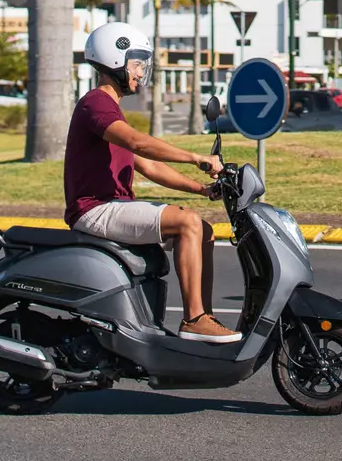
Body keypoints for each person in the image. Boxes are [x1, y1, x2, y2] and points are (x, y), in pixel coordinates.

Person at [68, 22, 235, 343]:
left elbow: (149, 166)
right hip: (94, 209)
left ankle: (205, 318)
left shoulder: (110, 109)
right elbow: (140, 144)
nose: (141, 72)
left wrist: (201, 189)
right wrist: (195, 158)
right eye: (136, 63)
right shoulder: (96, 104)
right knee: (187, 223)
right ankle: (194, 319)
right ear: (114, 60)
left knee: (204, 230)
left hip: (113, 206)